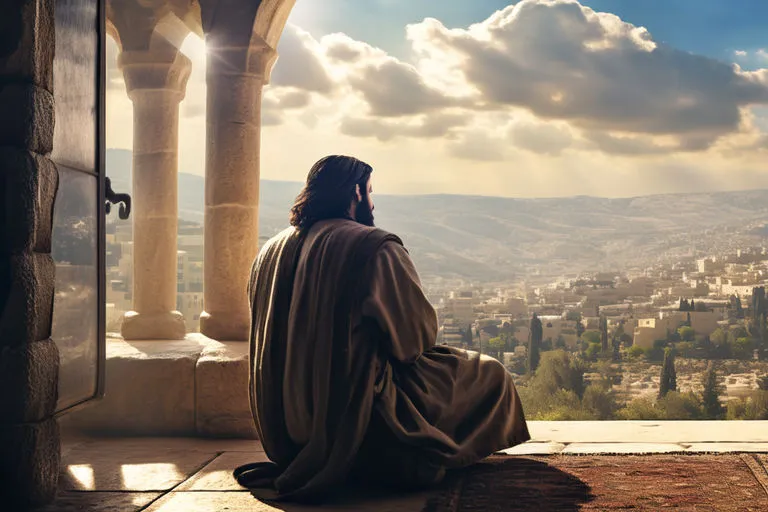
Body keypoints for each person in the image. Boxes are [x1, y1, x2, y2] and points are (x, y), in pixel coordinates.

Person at [234, 155, 529, 503]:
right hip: (354, 421)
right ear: (356, 192)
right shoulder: (372, 246)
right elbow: (414, 341)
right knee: (488, 374)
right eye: (370, 192)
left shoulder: (269, 251)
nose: (372, 203)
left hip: (283, 434)